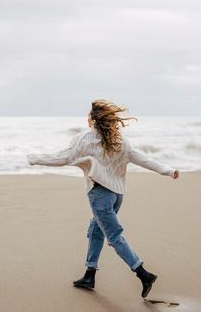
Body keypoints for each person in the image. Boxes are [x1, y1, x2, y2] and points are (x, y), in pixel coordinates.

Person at [26, 99, 179, 298]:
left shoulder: (86, 139)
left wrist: (35, 158)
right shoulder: (120, 141)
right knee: (95, 230)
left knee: (114, 237)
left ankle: (143, 273)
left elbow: (64, 158)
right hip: (117, 195)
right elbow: (142, 158)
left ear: (93, 120)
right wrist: (167, 170)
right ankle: (89, 275)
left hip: (100, 195)